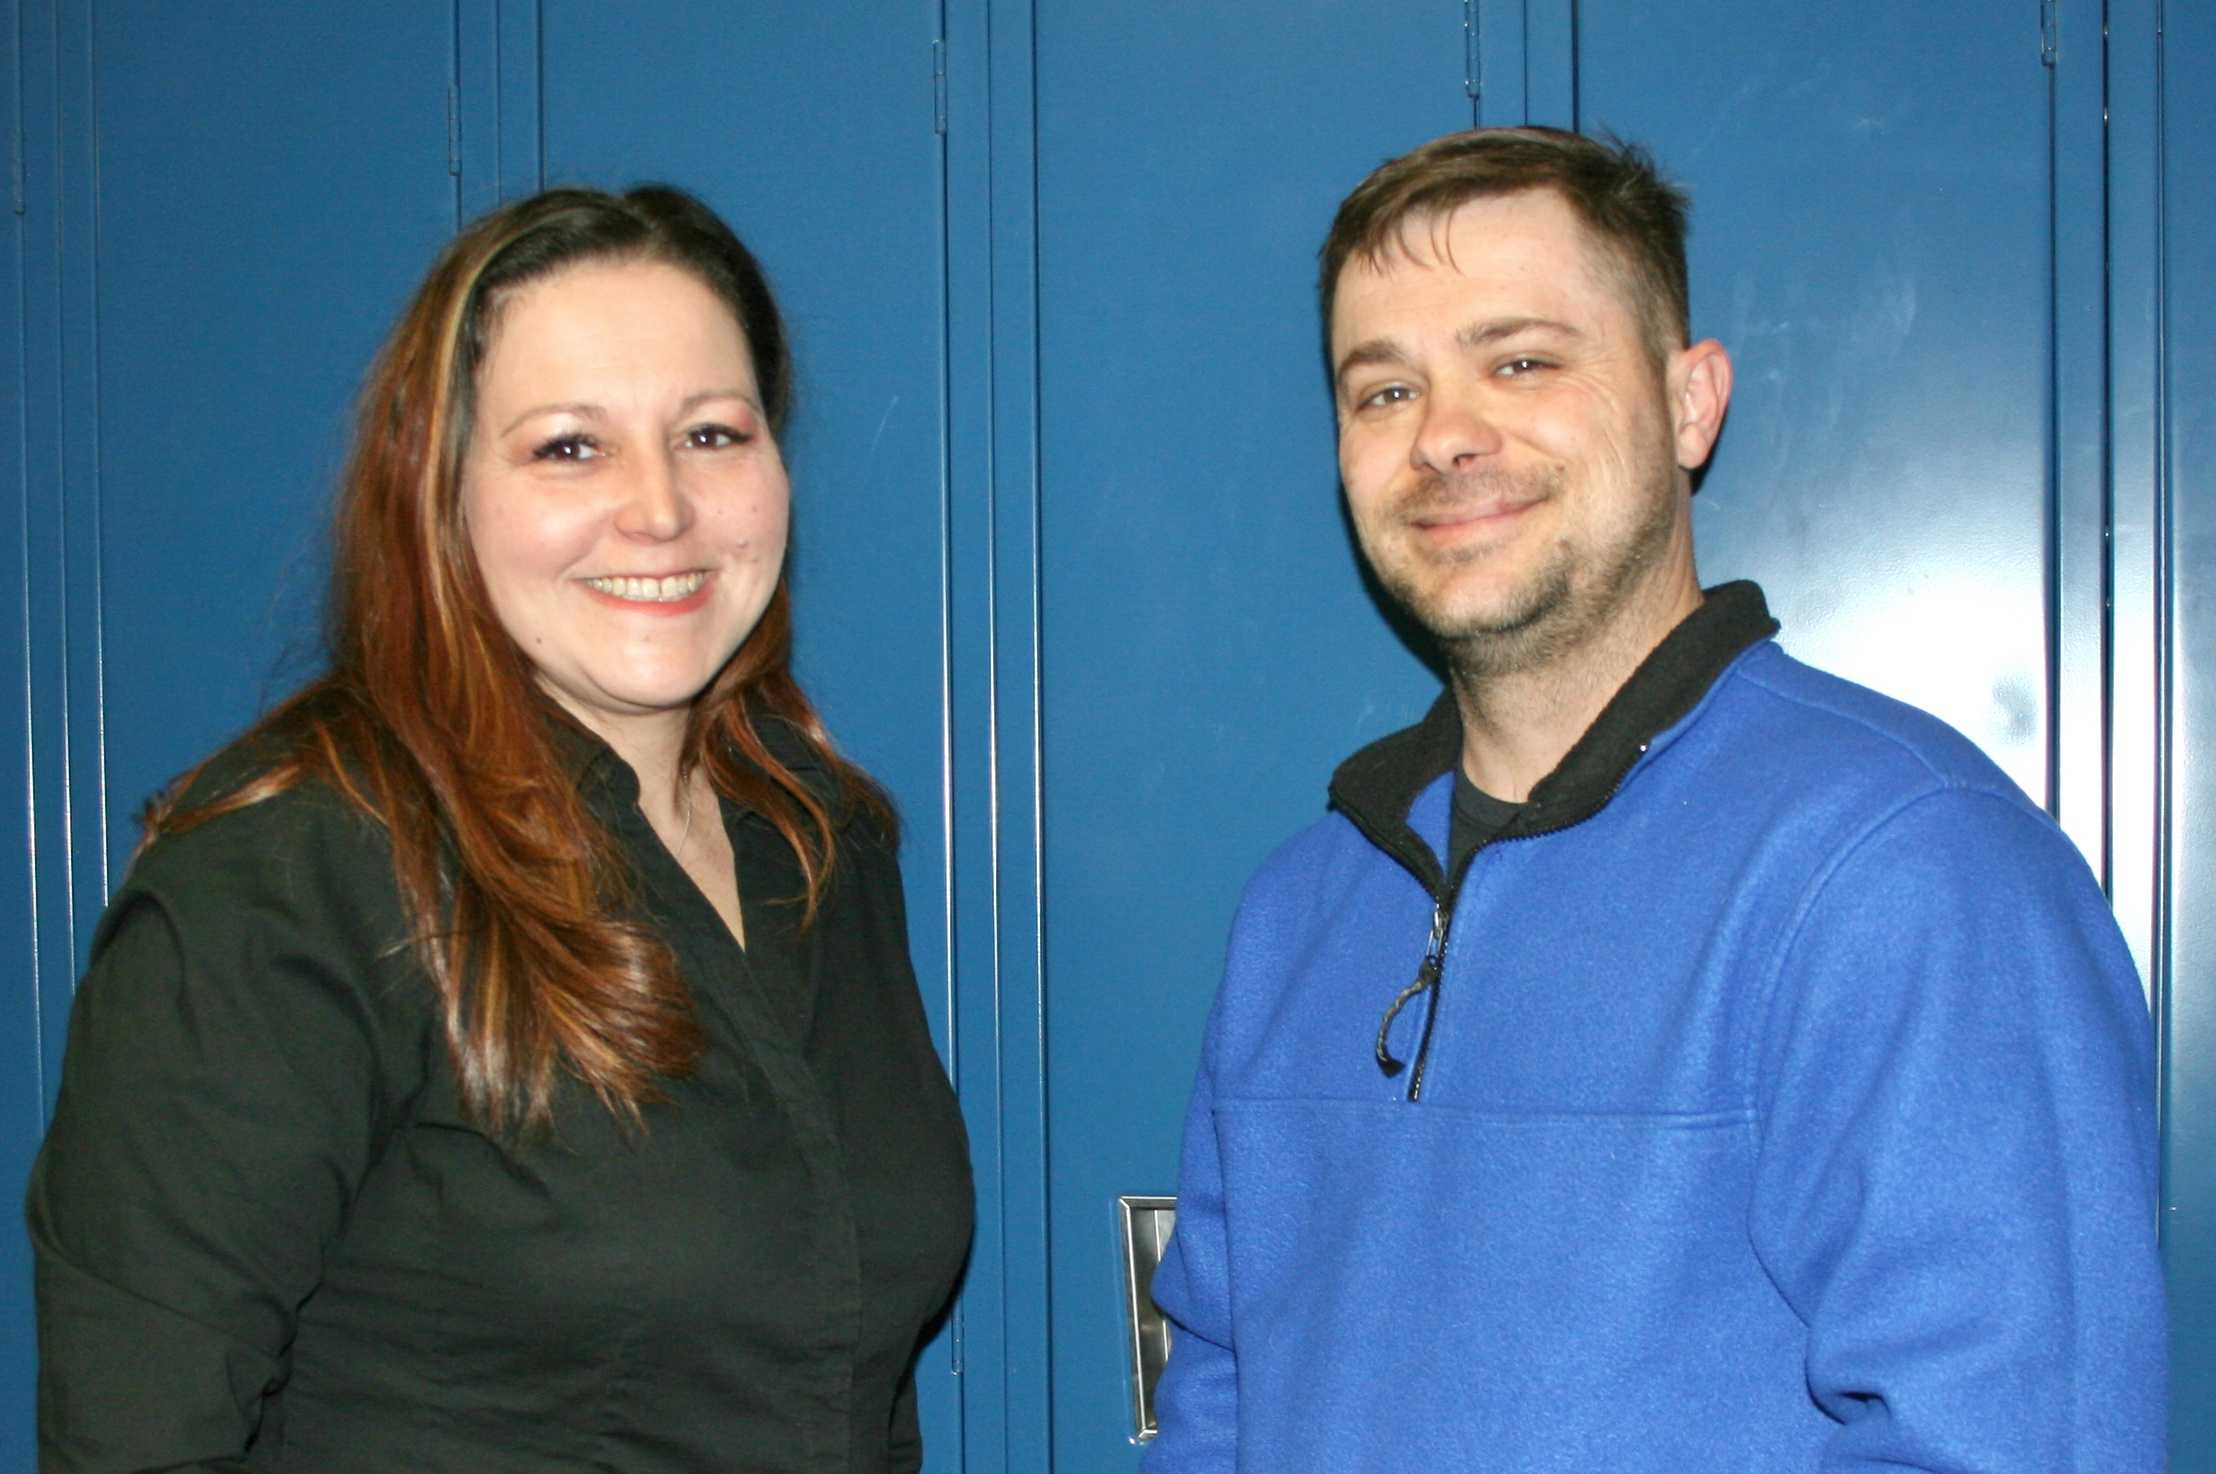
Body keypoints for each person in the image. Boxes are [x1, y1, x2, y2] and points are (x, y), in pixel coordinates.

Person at [1142, 128, 2166, 1472]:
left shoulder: (1907, 874)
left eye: (1521, 360)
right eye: (1383, 390)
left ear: (1691, 403)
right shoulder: (1303, 911)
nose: (1446, 434)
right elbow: (1221, 1393)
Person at [27, 186, 972, 1473]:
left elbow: (850, 1380)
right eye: (568, 447)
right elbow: (140, 1436)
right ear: (439, 489)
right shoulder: (295, 867)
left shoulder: (821, 845)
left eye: (710, 432)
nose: (660, 508)